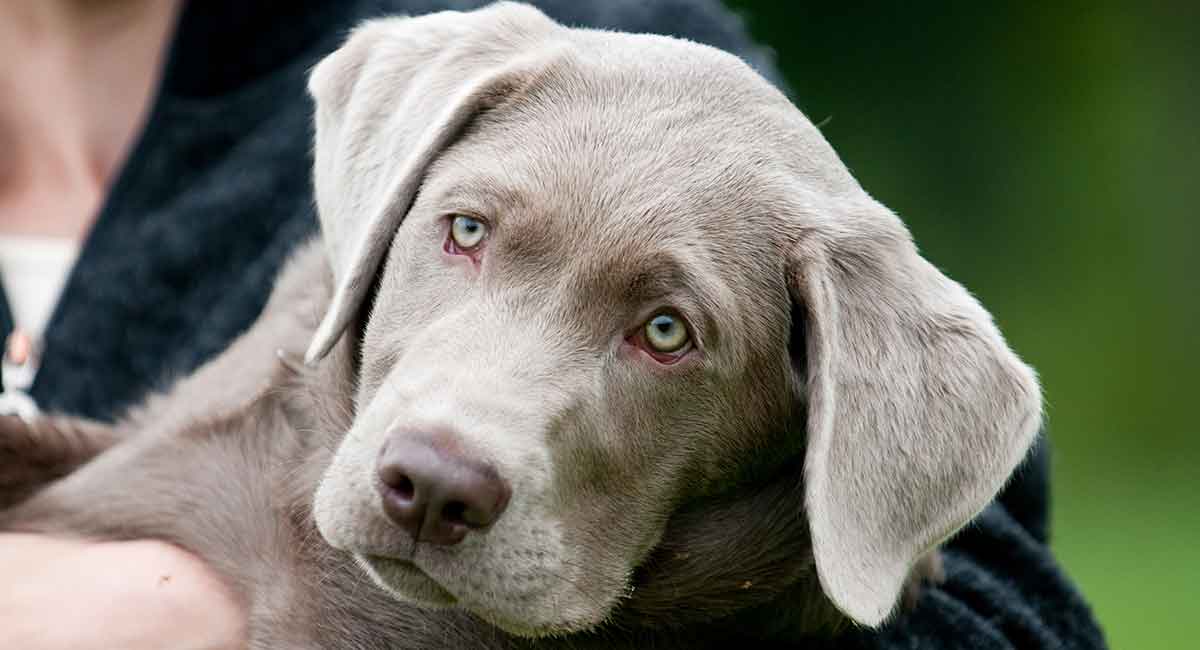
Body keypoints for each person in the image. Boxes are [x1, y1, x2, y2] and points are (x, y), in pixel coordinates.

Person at [0, 1, 1105, 648]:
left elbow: (1002, 617)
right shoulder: (416, 115)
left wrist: (173, 610)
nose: (448, 455)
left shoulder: (620, 56)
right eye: (468, 233)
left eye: (667, 330)